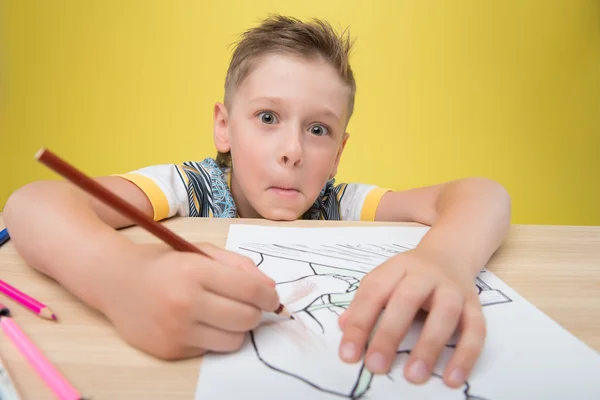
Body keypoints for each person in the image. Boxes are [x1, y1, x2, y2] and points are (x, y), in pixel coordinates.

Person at [3, 14, 511, 389]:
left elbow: (482, 195)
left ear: (338, 152)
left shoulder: (339, 204)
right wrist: (122, 279)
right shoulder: (191, 187)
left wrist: (445, 258)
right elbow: (31, 204)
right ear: (224, 127)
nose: (292, 151)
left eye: (318, 129)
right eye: (268, 118)